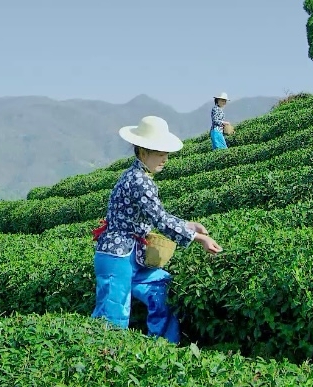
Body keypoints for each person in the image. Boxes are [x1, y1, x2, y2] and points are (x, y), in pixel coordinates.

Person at [90, 115, 223, 343]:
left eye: (166, 153)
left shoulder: (141, 177)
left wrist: (188, 225)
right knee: (113, 315)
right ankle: (103, 359)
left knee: (160, 286)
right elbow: (160, 220)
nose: (165, 159)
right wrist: (198, 237)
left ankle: (163, 347)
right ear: (143, 152)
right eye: (160, 153)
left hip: (134, 254)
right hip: (117, 255)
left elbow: (157, 215)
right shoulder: (139, 181)